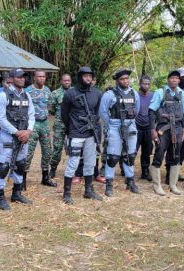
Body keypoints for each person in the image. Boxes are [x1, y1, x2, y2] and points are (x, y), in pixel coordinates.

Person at [0, 68, 34, 210]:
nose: (22, 79)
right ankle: (0, 197)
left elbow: (32, 115)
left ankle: (16, 193)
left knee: (21, 164)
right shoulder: (3, 96)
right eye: (19, 77)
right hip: (7, 137)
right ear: (12, 78)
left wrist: (28, 131)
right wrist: (17, 132)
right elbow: (1, 119)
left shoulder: (27, 96)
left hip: (24, 137)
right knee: (3, 167)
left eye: (24, 77)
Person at [61, 66, 103, 204]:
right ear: (80, 77)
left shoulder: (97, 93)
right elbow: (64, 115)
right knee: (73, 162)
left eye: (90, 76)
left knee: (90, 163)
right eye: (85, 76)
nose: (88, 78)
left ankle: (88, 191)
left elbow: (97, 116)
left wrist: (97, 135)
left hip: (90, 135)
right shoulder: (70, 94)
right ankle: (66, 193)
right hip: (76, 134)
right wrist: (70, 130)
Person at [99, 69, 141, 197]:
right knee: (113, 157)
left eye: (127, 78)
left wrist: (130, 121)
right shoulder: (109, 94)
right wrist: (111, 124)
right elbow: (103, 112)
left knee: (130, 155)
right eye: (122, 79)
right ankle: (109, 184)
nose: (125, 81)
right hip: (115, 125)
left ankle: (130, 181)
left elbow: (137, 110)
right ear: (117, 80)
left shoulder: (134, 93)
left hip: (130, 125)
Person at [148, 70, 184, 196]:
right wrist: (152, 130)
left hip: (178, 129)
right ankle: (157, 185)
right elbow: (151, 111)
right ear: (168, 80)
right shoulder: (160, 92)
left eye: (176, 78)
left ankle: (173, 185)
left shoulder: (182, 94)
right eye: (172, 78)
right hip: (162, 129)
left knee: (176, 155)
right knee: (159, 153)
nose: (174, 80)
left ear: (179, 80)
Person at [24, 71, 56, 188]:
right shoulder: (28, 91)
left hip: (44, 124)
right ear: (34, 78)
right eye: (39, 76)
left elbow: (50, 105)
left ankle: (45, 177)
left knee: (48, 152)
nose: (42, 78)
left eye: (43, 76)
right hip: (32, 125)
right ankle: (22, 180)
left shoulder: (47, 90)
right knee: (28, 153)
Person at [49, 73, 72, 179]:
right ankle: (53, 169)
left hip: (73, 125)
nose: (66, 82)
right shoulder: (55, 93)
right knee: (57, 149)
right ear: (61, 81)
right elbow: (51, 109)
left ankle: (73, 170)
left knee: (74, 148)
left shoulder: (74, 92)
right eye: (64, 80)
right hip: (59, 126)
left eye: (68, 80)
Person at [135, 75, 153, 182]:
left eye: (148, 84)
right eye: (144, 83)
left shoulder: (153, 95)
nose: (146, 85)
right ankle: (127, 170)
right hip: (136, 126)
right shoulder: (135, 95)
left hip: (148, 126)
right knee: (133, 149)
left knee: (147, 150)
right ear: (140, 84)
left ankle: (145, 171)